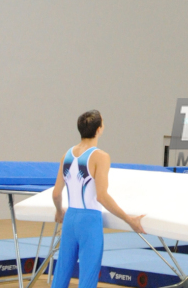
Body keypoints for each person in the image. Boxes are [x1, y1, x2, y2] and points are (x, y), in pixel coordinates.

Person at [51, 110, 145, 288]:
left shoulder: (67, 155)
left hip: (70, 218)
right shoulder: (100, 157)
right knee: (87, 277)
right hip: (89, 221)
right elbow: (101, 196)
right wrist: (129, 219)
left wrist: (59, 211)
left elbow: (56, 193)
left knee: (61, 274)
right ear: (99, 129)